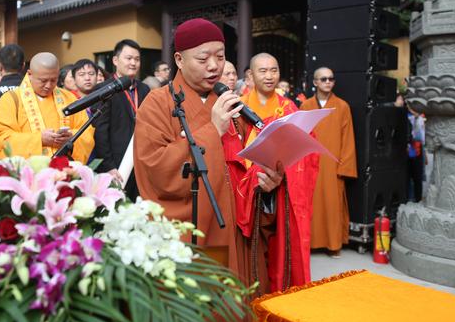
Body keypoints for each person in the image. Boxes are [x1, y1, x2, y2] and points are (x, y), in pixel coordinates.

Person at [134, 19, 285, 297]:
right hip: (195, 234)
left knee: (237, 308)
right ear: (179, 59)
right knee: (205, 312)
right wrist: (212, 130)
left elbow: (241, 169)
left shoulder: (229, 103)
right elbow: (156, 170)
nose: (214, 66)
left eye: (221, 56)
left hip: (238, 232)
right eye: (203, 58)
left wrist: (265, 182)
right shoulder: (157, 104)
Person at [240, 52, 319, 292]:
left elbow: (307, 149)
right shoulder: (238, 107)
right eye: (262, 71)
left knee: (280, 247)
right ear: (251, 76)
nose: (269, 76)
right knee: (252, 251)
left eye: (273, 70)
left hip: (282, 189)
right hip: (251, 188)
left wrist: (287, 169)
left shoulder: (289, 107)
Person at [0, 52, 94, 162]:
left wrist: (72, 138)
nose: (48, 86)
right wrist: (39, 139)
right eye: (43, 80)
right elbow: (0, 138)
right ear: (29, 74)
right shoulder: (11, 99)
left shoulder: (69, 98)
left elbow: (87, 132)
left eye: (54, 80)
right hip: (27, 171)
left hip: (63, 169)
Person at [301, 67, 357, 257]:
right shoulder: (306, 106)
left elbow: (348, 138)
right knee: (311, 205)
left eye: (331, 79)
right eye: (323, 79)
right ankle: (309, 244)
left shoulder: (342, 106)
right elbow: (299, 136)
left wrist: (345, 165)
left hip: (333, 165)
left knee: (333, 206)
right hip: (311, 164)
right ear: (315, 82)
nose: (328, 82)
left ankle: (334, 245)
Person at [94, 39, 150, 200]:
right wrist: (109, 166)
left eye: (137, 59)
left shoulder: (144, 88)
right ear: (115, 60)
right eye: (129, 58)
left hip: (141, 162)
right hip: (116, 164)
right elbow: (100, 132)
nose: (133, 63)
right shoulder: (105, 89)